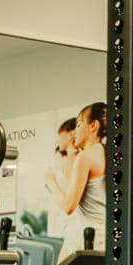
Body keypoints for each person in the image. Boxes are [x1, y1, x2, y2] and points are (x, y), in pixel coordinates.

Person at [46, 102, 107, 243]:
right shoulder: (104, 153)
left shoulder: (85, 157)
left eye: (78, 125)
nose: (75, 131)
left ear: (93, 126)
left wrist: (51, 182)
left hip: (94, 241)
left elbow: (68, 206)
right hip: (106, 238)